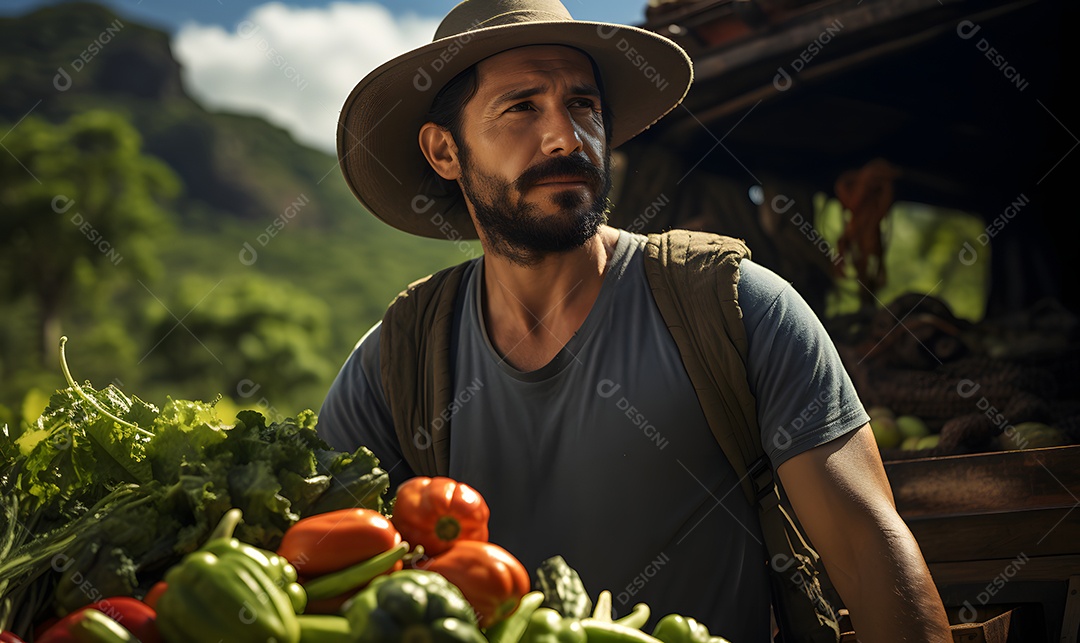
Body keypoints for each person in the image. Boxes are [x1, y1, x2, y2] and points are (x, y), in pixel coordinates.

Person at [318, 0, 952, 640]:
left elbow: (868, 547)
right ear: (444, 151)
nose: (566, 136)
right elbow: (326, 581)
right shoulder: (397, 361)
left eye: (584, 105)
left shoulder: (734, 308)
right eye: (521, 107)